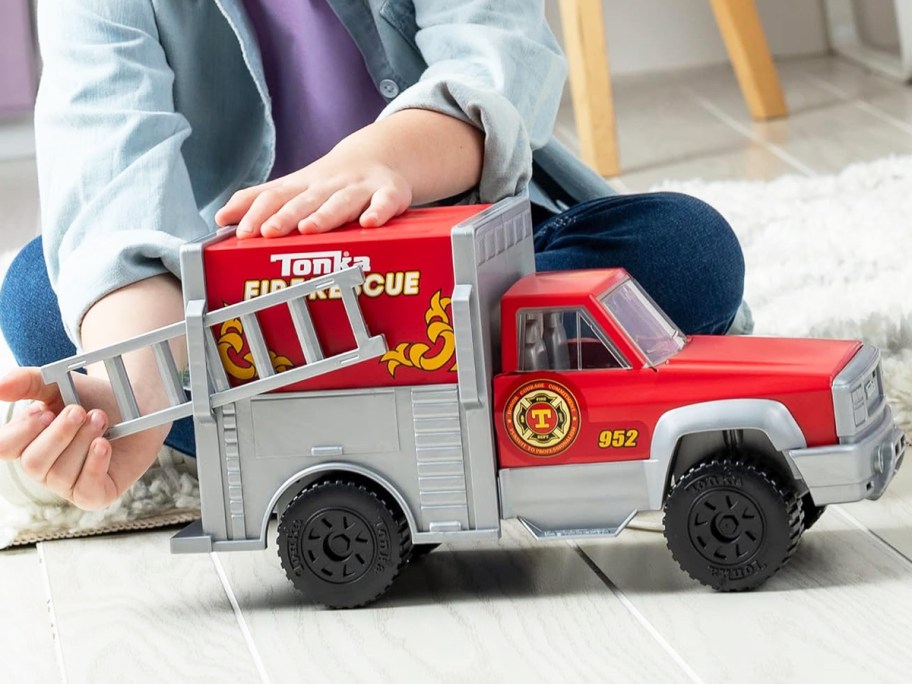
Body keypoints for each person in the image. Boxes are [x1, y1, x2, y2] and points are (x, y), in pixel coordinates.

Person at [0, 0, 746, 511]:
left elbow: (498, 54)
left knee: (684, 247)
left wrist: (382, 158)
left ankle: (304, 434)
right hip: (241, 305)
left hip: (455, 259)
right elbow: (109, 165)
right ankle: (448, 418)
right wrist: (127, 397)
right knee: (40, 295)